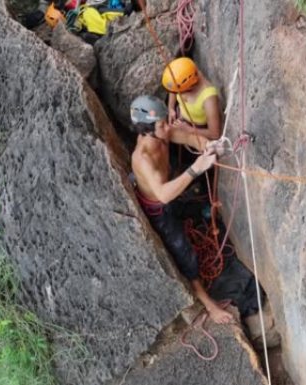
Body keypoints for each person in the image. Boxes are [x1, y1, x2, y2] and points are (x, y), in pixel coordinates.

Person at [129, 95, 233, 324]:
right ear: (146, 131)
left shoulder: (162, 133)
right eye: (162, 124)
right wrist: (196, 168)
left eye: (166, 121)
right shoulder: (142, 158)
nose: (168, 127)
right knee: (184, 254)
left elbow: (189, 137)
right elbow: (164, 195)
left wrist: (209, 146)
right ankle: (209, 305)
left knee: (193, 200)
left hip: (169, 190)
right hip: (159, 209)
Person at [162, 57, 222, 152]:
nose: (178, 94)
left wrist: (189, 130)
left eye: (180, 92)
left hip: (197, 127)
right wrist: (171, 108)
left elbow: (215, 133)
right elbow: (173, 90)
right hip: (182, 118)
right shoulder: (186, 73)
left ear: (189, 86)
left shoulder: (208, 99)